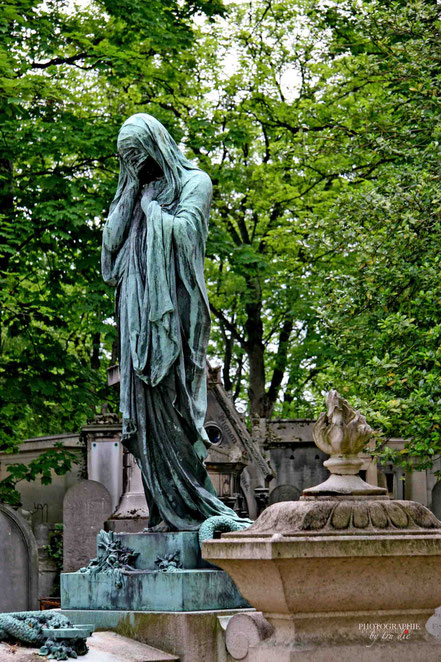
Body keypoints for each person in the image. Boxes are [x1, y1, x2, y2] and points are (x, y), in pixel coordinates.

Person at [102, 113, 251, 533]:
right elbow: (110, 249)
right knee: (142, 414)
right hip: (135, 316)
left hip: (173, 319)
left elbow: (187, 235)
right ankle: (162, 515)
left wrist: (152, 212)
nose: (136, 167)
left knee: (172, 408)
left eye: (140, 157)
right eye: (127, 161)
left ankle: (191, 510)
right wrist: (132, 193)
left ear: (157, 146)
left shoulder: (194, 183)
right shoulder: (134, 190)